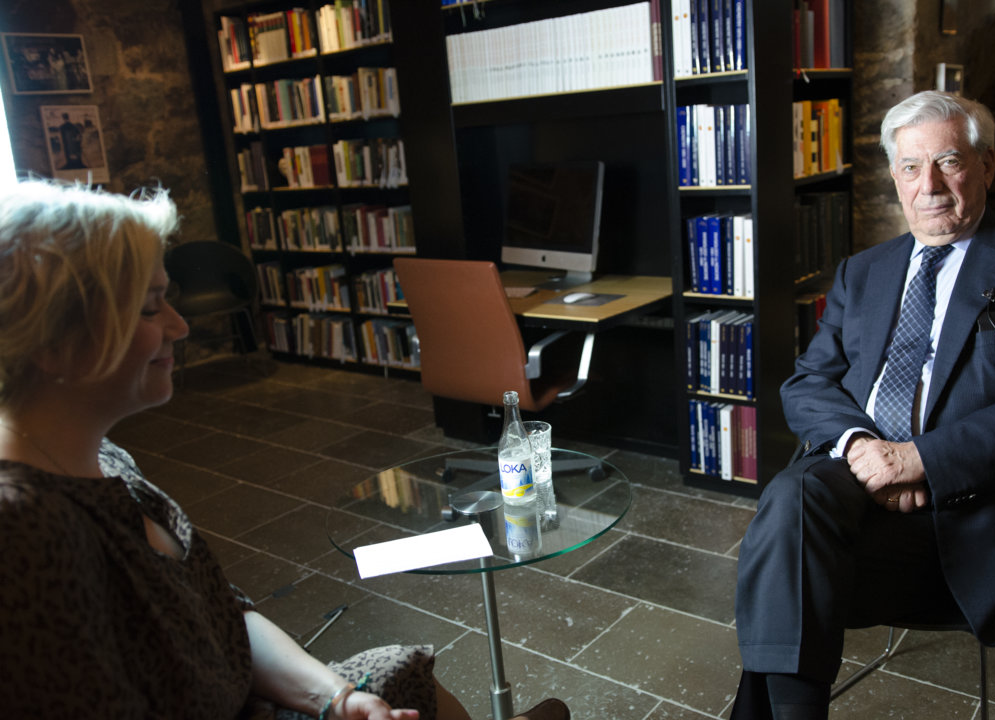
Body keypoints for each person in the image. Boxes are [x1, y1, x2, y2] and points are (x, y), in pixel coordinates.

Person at [0, 180, 570, 720]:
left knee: (401, 668)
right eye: (150, 307)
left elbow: (224, 613)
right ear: (53, 339)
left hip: (255, 693)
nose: (179, 326)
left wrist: (338, 698)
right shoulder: (26, 534)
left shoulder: (104, 458)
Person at [729, 90, 995, 719]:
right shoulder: (863, 270)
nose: (931, 185)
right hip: (853, 485)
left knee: (782, 561)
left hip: (972, 519)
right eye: (911, 167)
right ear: (894, 177)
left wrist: (920, 459)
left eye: (948, 161)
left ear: (987, 165)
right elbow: (808, 382)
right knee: (794, 504)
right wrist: (869, 451)